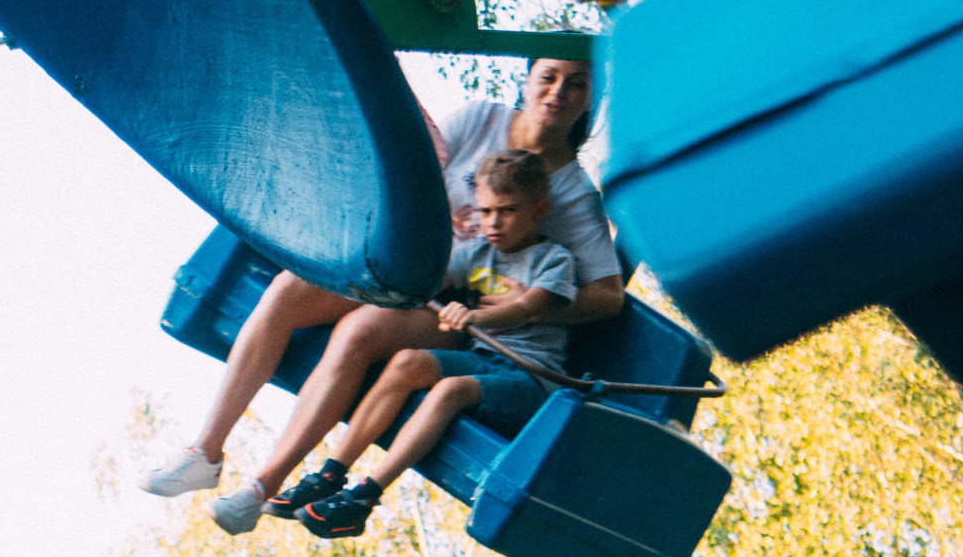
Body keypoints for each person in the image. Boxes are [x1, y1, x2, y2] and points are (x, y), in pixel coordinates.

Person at [140, 58, 619, 532]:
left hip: (452, 296)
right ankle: (206, 450)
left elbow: (607, 296)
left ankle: (263, 485)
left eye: (576, 85)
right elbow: (412, 167)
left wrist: (523, 302)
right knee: (285, 293)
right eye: (549, 78)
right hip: (403, 256)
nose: (558, 93)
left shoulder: (574, 195)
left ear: (589, 100)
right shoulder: (481, 118)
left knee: (359, 331)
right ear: (527, 80)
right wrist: (433, 211)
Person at [293, 150, 574, 540]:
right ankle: (330, 473)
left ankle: (363, 498)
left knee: (449, 390)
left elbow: (528, 307)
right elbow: (430, 279)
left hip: (530, 380)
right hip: (482, 361)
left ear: (538, 210)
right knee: (408, 362)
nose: (493, 222)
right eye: (486, 210)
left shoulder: (553, 260)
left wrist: (474, 317)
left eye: (507, 211)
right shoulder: (477, 252)